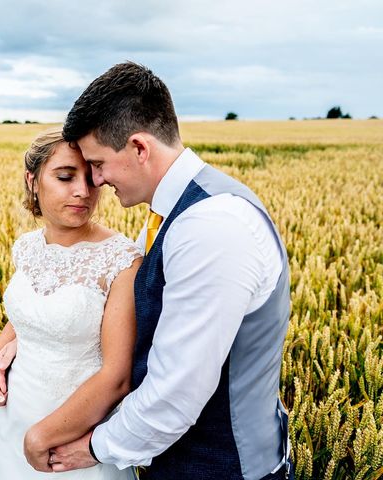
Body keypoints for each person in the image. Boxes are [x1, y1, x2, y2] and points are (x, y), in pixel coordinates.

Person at [19, 62, 294, 479]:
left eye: (97, 163)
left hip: (222, 467)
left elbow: (177, 393)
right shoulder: (180, 213)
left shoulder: (211, 226)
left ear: (139, 148)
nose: (95, 181)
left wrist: (94, 448)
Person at [0, 127, 142, 479]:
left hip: (70, 437)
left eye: (92, 179)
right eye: (65, 177)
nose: (82, 191)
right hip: (8, 419)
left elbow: (117, 376)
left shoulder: (120, 259)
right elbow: (28, 317)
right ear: (32, 180)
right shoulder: (27, 247)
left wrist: (42, 435)